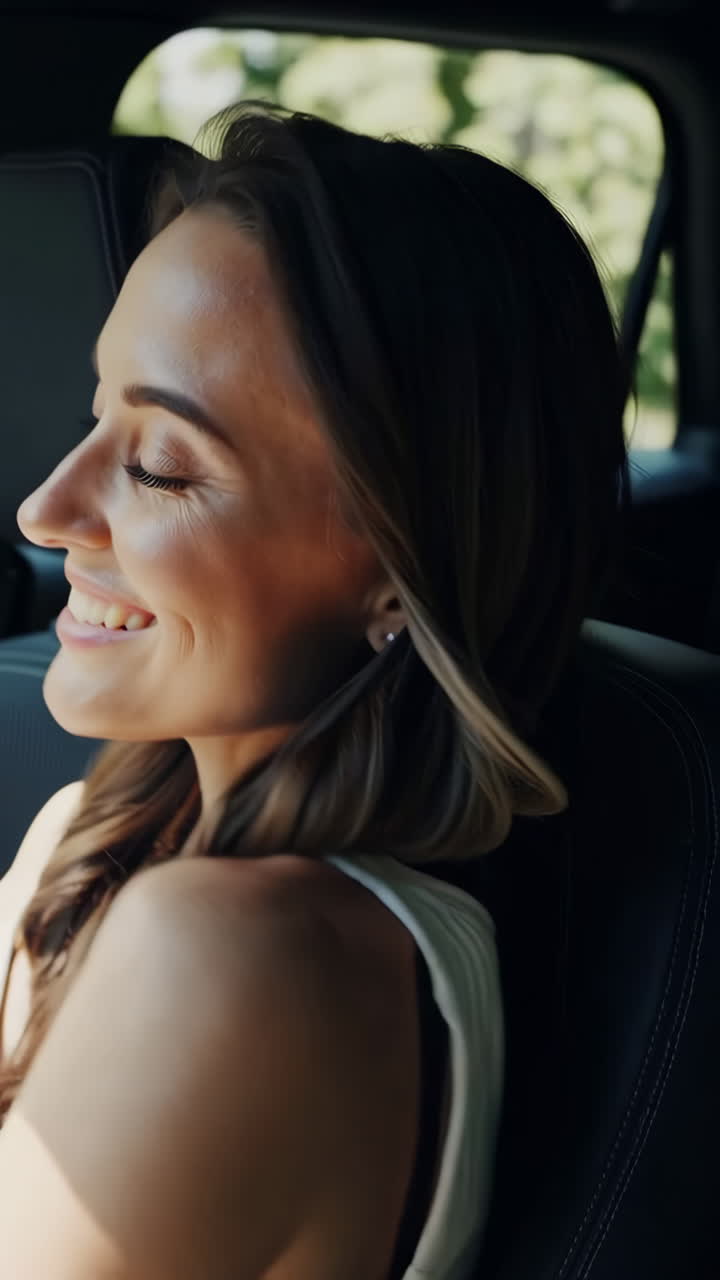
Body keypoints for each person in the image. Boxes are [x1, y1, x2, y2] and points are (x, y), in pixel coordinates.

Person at [0, 103, 627, 1278]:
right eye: (100, 410)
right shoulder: (106, 836)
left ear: (397, 575)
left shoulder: (237, 954)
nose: (46, 510)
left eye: (160, 465)